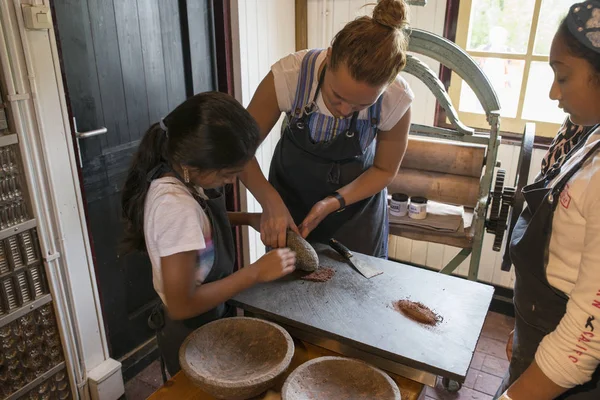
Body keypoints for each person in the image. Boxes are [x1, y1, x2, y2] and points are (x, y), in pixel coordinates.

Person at [120, 92, 296, 377]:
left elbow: (197, 226)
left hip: (210, 316)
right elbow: (181, 305)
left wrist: (247, 218)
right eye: (229, 174)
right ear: (195, 166)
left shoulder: (179, 176)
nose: (231, 181)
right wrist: (255, 273)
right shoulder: (174, 207)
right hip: (190, 331)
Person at [240, 0, 414, 257]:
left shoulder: (396, 98)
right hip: (290, 204)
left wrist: (333, 202)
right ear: (330, 56)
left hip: (356, 211)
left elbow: (384, 169)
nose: (344, 110)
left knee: (360, 289)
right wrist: (270, 201)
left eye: (360, 105)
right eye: (337, 96)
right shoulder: (291, 75)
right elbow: (238, 151)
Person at [496, 2, 600, 398]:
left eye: (563, 76)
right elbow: (568, 261)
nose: (553, 92)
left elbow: (583, 342)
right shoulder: (591, 135)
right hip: (542, 332)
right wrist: (527, 327)